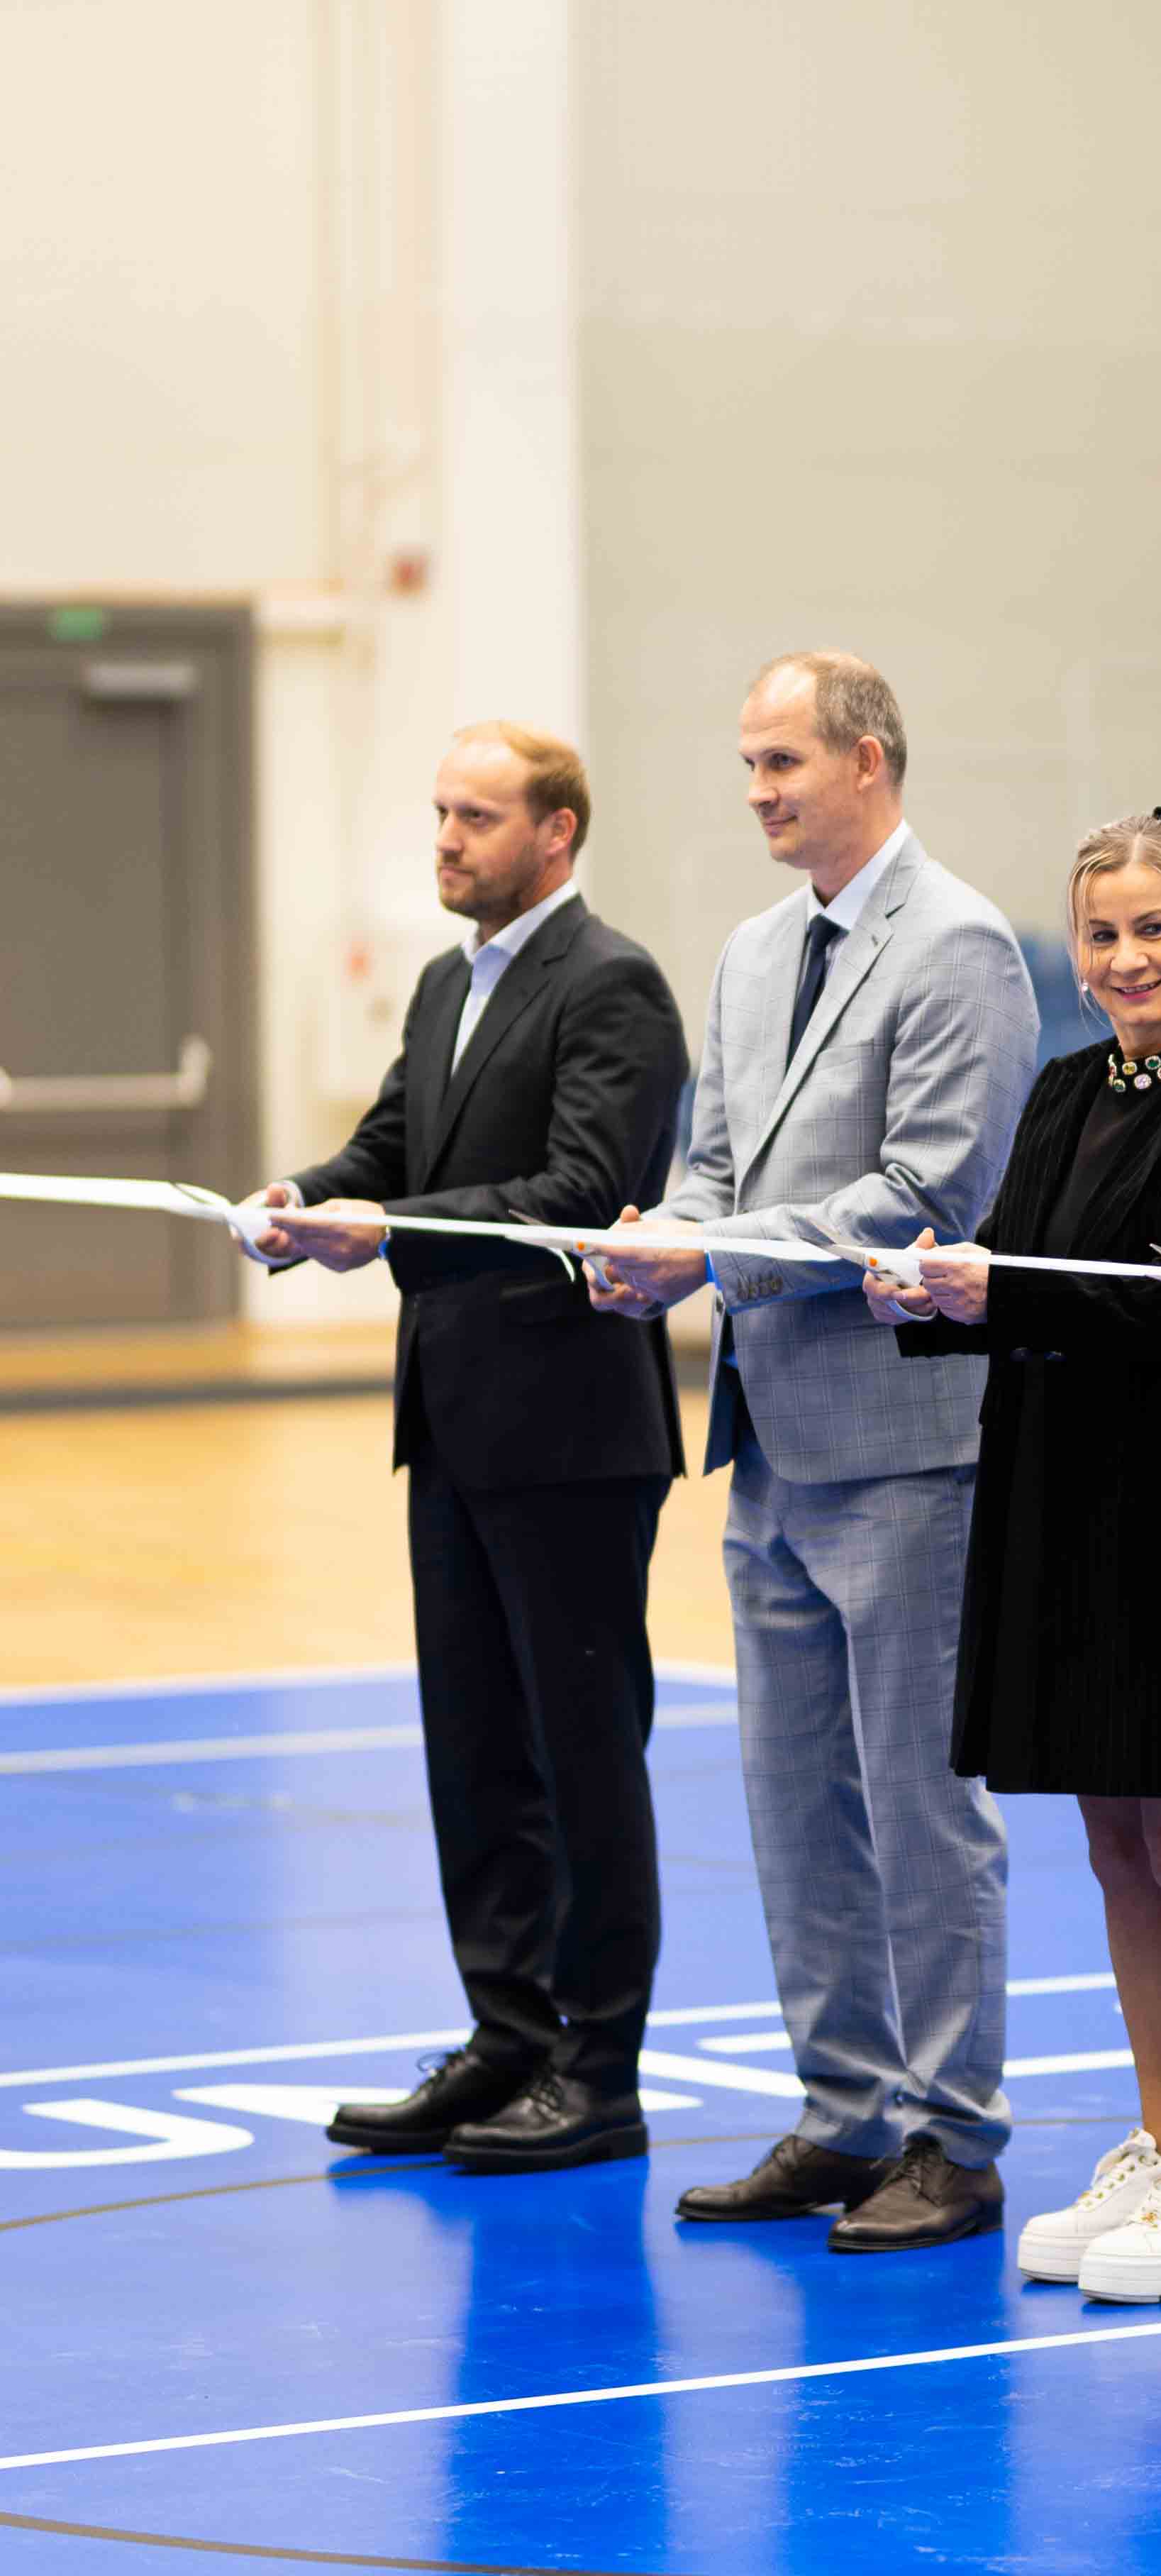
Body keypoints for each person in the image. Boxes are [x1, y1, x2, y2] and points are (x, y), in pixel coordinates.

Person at [584, 652, 1036, 2252]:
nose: (759, 790)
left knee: (922, 1806)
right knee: (794, 1801)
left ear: (867, 760)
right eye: (748, 764)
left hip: (909, 1447)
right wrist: (660, 1244)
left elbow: (927, 1191)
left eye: (782, 761)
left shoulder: (962, 943)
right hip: (769, 1437)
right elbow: (713, 1168)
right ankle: (843, 2113)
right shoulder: (753, 950)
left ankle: (953, 2134)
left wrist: (713, 1254)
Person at [862, 807, 1161, 2304]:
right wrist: (927, 1291)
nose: (1126, 959)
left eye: (1152, 930)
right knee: (1115, 1836)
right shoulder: (1064, 1087)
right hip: (1062, 1496)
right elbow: (1017, 1262)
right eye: (1101, 934)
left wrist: (998, 1289)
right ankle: (1160, 2136)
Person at [238, 724, 689, 2171]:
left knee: (581, 1757)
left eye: (477, 816)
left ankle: (597, 2069)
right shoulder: (447, 982)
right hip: (453, 1420)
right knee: (477, 1754)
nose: (446, 837)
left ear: (556, 834)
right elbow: (392, 1147)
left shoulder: (612, 984)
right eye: (440, 811)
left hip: (573, 1434)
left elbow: (580, 1192)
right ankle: (509, 2038)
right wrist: (305, 1197)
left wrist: (387, 1231)